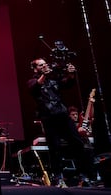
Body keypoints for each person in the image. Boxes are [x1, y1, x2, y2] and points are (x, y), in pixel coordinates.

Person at [27, 58, 92, 187]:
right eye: (41, 65)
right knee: (54, 148)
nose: (45, 66)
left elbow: (67, 83)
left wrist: (71, 73)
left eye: (45, 64)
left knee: (78, 143)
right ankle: (58, 178)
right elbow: (35, 87)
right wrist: (44, 75)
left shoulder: (53, 79)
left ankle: (84, 176)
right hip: (48, 117)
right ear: (35, 68)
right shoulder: (32, 81)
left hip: (62, 115)